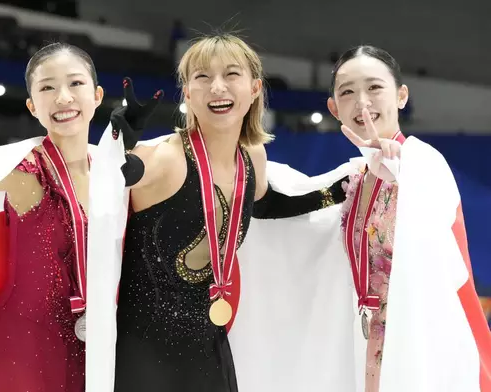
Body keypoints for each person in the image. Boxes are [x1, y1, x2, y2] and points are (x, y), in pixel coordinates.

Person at [106, 33, 348, 392]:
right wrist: (118, 147)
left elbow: (262, 204)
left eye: (231, 74)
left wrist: (335, 193)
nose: (217, 87)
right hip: (141, 353)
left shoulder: (253, 158)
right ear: (187, 93)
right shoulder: (163, 158)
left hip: (209, 346)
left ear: (254, 88)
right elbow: (109, 182)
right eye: (202, 77)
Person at [0, 42, 142, 392]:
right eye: (47, 87)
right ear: (32, 106)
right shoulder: (23, 170)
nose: (63, 97)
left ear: (97, 95)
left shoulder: (115, 174)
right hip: (20, 349)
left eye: (75, 83)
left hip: (94, 347)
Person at [327, 45, 491, 392]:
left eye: (374, 87)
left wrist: (396, 170)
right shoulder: (352, 176)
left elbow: (425, 215)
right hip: (366, 345)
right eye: (347, 92)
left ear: (401, 96)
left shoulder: (423, 162)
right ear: (333, 108)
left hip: (422, 345)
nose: (362, 102)